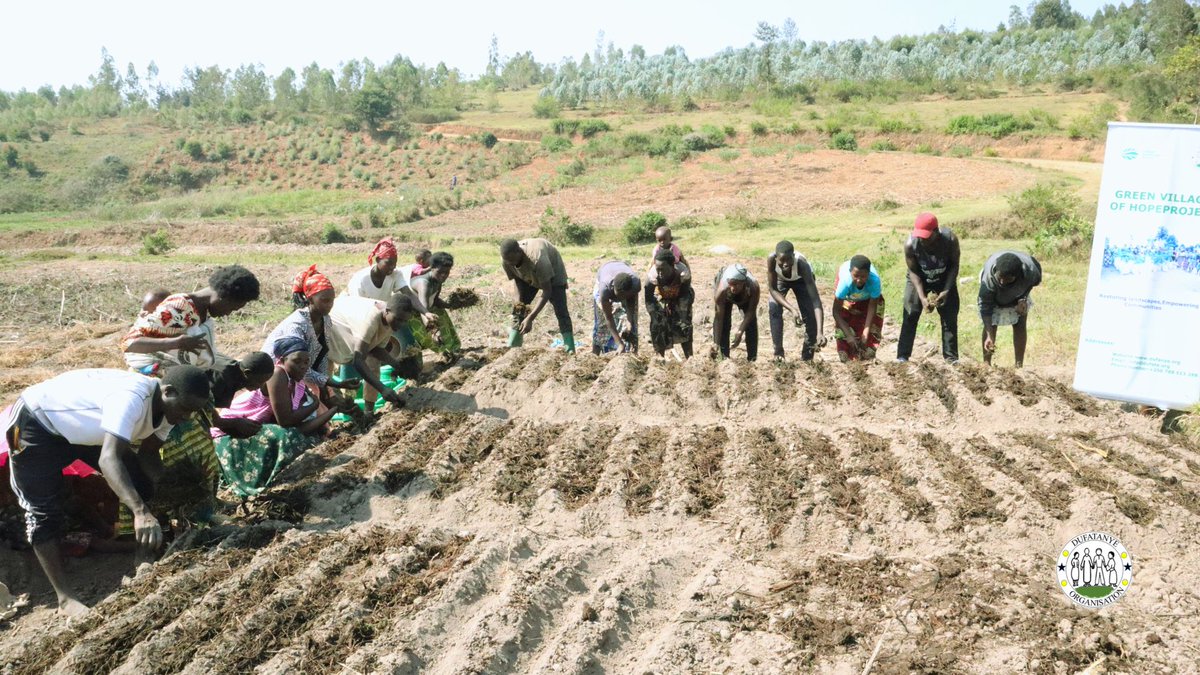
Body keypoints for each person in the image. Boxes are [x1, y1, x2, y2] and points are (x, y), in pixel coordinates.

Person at [2, 367, 211, 615]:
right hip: (37, 426)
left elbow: (149, 454)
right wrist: (140, 511)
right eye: (185, 409)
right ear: (168, 391)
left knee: (140, 482)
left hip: (84, 431)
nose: (187, 417)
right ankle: (65, 599)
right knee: (42, 514)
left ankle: (142, 556)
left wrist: (167, 487)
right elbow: (109, 460)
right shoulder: (131, 399)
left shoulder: (169, 410)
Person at [111, 352, 275, 540]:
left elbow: (208, 412)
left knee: (203, 460)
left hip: (186, 424)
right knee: (178, 467)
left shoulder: (200, 395)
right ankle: (155, 524)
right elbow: (140, 452)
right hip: (167, 430)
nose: (261, 386)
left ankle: (202, 509)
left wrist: (228, 424)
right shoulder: (145, 407)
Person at [213, 338, 355, 498]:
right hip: (231, 427)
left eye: (307, 362)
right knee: (288, 437)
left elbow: (301, 425)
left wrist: (332, 409)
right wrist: (314, 406)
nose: (303, 366)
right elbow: (286, 422)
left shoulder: (297, 383)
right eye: (297, 361)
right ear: (282, 360)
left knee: (309, 436)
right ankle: (259, 479)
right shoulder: (277, 374)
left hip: (254, 425)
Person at [121, 265, 261, 374]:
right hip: (151, 379)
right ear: (223, 297)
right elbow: (129, 343)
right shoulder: (179, 308)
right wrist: (176, 342)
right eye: (231, 308)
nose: (228, 314)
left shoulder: (201, 312)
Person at [263, 265, 360, 405]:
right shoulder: (296, 325)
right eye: (325, 300)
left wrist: (325, 384)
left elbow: (322, 354)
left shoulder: (325, 320)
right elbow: (295, 365)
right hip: (277, 377)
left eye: (332, 300)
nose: (330, 305)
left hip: (300, 373)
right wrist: (331, 383)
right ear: (310, 299)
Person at [327, 293, 417, 411]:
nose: (401, 324)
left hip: (347, 322)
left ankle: (368, 412)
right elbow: (358, 360)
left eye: (405, 321)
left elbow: (375, 349)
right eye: (399, 320)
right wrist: (382, 388)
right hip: (331, 327)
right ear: (387, 312)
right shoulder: (370, 319)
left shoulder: (391, 318)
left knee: (373, 364)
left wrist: (397, 365)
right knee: (324, 385)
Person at [897, 213, 961, 363]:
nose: (922, 240)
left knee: (949, 315)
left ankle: (951, 358)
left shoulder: (950, 240)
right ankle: (902, 357)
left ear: (936, 232)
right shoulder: (910, 244)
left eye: (926, 236)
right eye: (920, 236)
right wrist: (922, 297)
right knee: (910, 313)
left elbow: (954, 266)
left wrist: (946, 290)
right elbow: (913, 271)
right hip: (919, 278)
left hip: (944, 277)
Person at [500, 238, 575, 353]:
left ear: (519, 252)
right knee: (519, 309)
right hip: (528, 275)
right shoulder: (507, 260)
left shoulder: (537, 259)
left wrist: (530, 318)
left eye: (512, 260)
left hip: (553, 274)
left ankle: (569, 349)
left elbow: (547, 291)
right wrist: (519, 304)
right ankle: (513, 347)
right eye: (508, 261)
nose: (510, 264)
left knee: (561, 312)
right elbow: (517, 280)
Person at [394, 251, 461, 366]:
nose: (443, 275)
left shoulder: (438, 282)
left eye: (446, 272)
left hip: (426, 310)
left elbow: (435, 301)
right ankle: (443, 352)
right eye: (440, 272)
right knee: (430, 334)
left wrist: (451, 305)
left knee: (441, 313)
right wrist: (434, 331)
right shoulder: (423, 283)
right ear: (431, 268)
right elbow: (423, 310)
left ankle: (451, 350)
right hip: (411, 313)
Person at [978, 251, 1042, 368]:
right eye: (1000, 277)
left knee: (1020, 322)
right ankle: (986, 364)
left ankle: (1019, 365)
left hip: (1018, 292)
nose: (1002, 282)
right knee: (991, 325)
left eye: (1007, 279)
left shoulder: (1031, 271)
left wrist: (1023, 298)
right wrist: (989, 335)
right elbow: (985, 307)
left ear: (1017, 276)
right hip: (993, 292)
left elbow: (1032, 283)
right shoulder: (988, 281)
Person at [766, 241, 824, 361]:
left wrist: (820, 332)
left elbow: (816, 301)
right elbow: (773, 290)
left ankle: (807, 357)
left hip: (802, 280)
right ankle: (778, 354)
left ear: (793, 256)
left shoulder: (802, 265)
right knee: (774, 308)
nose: (786, 264)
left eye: (789, 259)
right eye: (782, 260)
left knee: (810, 315)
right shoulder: (771, 260)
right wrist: (792, 309)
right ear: (776, 258)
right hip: (781, 280)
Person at [832, 255, 884, 362]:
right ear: (850, 272)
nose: (859, 280)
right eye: (855, 276)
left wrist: (866, 332)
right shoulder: (845, 282)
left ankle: (866, 353)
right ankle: (846, 354)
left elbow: (872, 306)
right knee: (846, 320)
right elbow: (836, 311)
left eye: (863, 277)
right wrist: (848, 335)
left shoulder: (874, 281)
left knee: (869, 328)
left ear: (868, 274)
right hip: (848, 297)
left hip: (867, 298)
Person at [644, 249, 694, 359]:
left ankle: (689, 357)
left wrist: (683, 314)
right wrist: (655, 315)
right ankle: (659, 357)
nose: (660, 273)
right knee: (658, 325)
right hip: (661, 296)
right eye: (658, 270)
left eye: (663, 269)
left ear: (672, 266)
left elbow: (685, 293)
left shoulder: (683, 272)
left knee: (684, 325)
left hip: (680, 296)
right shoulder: (652, 276)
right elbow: (648, 298)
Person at [713, 263, 761, 361]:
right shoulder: (722, 290)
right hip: (726, 297)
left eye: (736, 284)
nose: (733, 288)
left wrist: (740, 331)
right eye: (731, 284)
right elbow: (719, 317)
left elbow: (751, 311)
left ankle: (752, 359)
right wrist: (716, 343)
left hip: (745, 297)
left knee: (751, 324)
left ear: (743, 282)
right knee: (725, 323)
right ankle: (724, 357)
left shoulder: (753, 287)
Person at [592, 261, 640, 354]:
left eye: (624, 297)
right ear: (614, 288)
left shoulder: (635, 284)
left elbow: (631, 302)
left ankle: (631, 353)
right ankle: (595, 354)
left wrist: (629, 321)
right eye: (619, 296)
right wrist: (619, 344)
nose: (621, 299)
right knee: (601, 324)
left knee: (630, 325)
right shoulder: (604, 288)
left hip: (622, 276)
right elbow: (608, 317)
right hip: (604, 274)